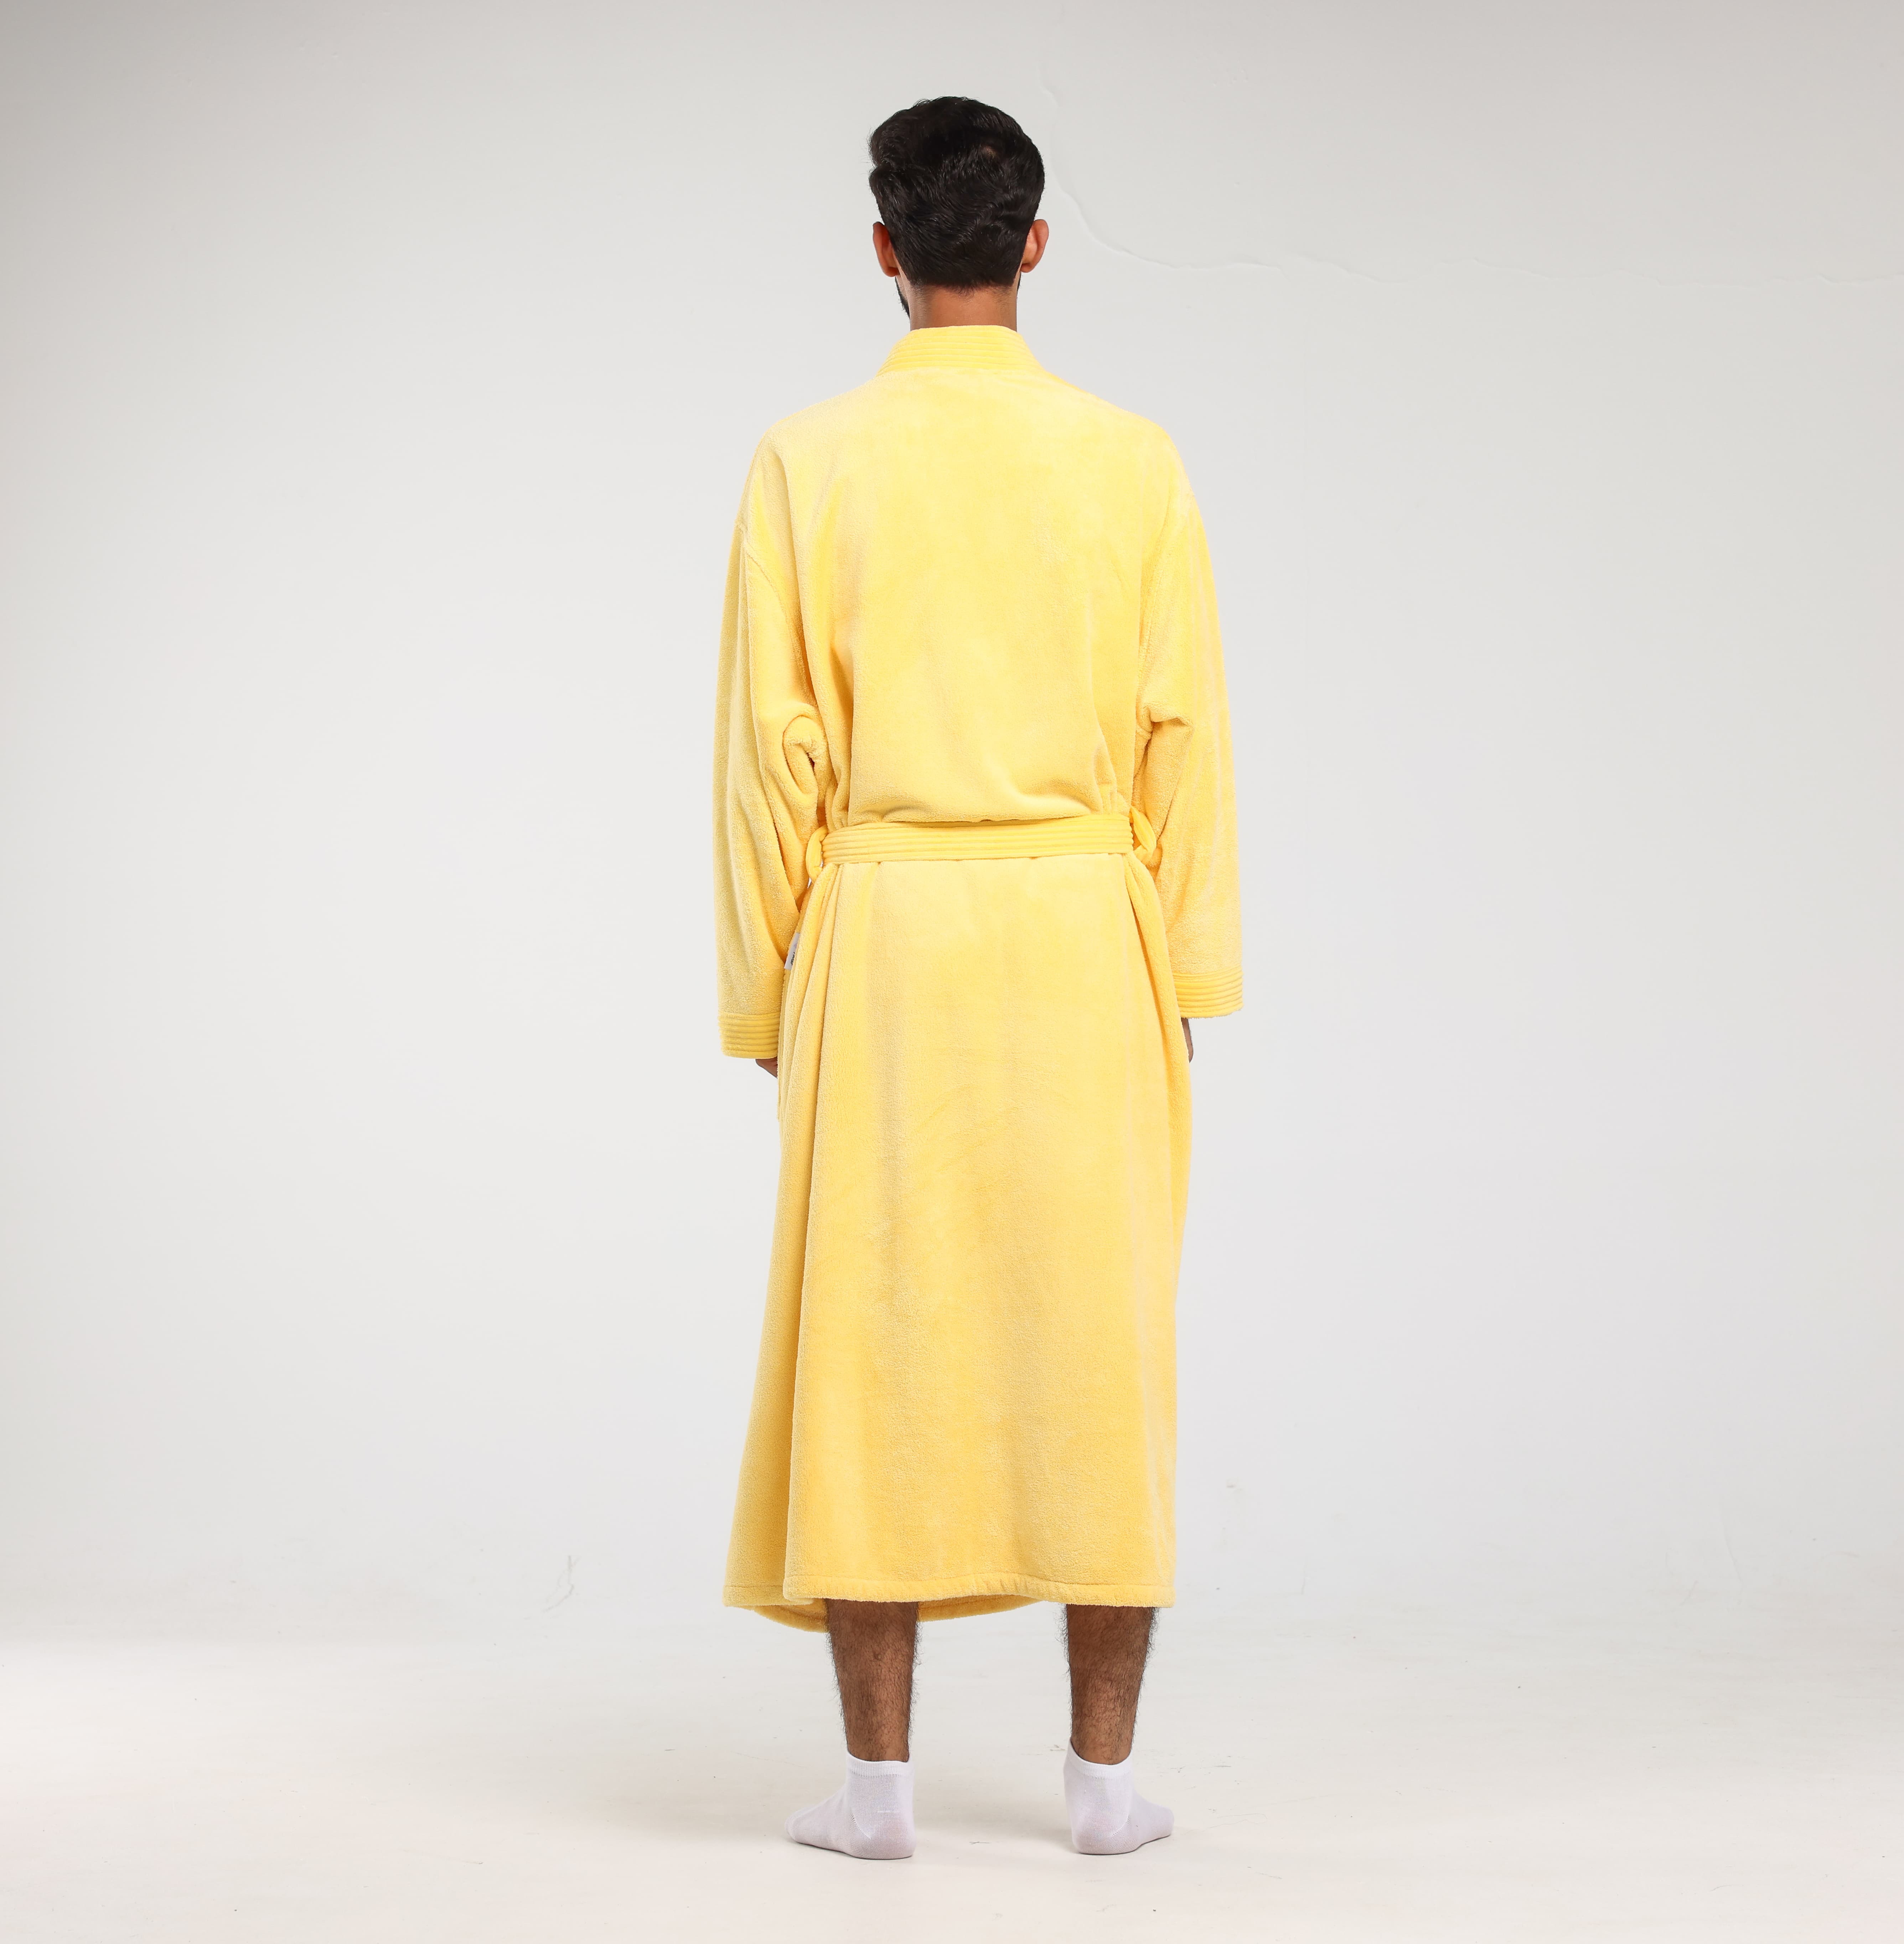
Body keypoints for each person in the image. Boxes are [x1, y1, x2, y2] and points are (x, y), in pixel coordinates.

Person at [711, 95, 1240, 1861]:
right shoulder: (1131, 458)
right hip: (1088, 934)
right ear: (1032, 244)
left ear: (883, 248)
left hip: (884, 941)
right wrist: (1187, 972)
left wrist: (765, 991)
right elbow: (1184, 737)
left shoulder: (808, 459)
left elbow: (768, 749)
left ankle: (876, 1793)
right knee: (1102, 1338)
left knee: (872, 1343)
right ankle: (1102, 1784)